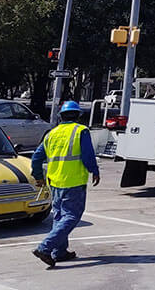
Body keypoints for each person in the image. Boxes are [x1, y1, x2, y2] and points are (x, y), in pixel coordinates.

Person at [30, 101, 100, 268]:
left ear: (61, 116)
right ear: (78, 116)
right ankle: (45, 247)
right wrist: (94, 170)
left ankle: (59, 252)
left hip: (55, 182)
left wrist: (38, 177)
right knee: (71, 216)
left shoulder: (52, 134)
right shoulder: (80, 131)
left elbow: (36, 158)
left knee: (60, 216)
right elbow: (88, 156)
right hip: (73, 181)